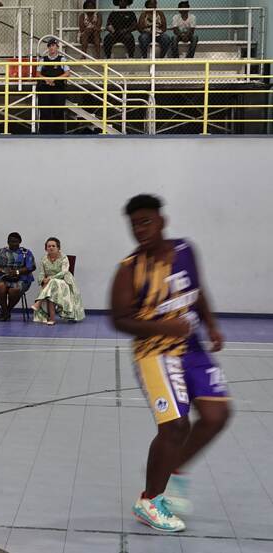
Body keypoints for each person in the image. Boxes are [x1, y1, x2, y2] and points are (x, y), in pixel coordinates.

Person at [111, 194, 231, 532]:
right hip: (154, 351)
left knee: (216, 415)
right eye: (134, 225)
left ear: (162, 221)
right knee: (176, 427)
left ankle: (172, 467)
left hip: (191, 347)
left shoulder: (185, 251)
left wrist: (211, 324)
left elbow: (198, 290)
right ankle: (149, 500)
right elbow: (119, 319)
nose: (140, 230)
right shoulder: (129, 270)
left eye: (146, 221)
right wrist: (163, 326)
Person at [32, 237, 85, 324]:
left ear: (58, 248)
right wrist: (42, 280)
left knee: (53, 282)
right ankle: (51, 319)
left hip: (64, 281)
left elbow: (64, 272)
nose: (51, 248)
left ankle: (39, 303)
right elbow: (41, 273)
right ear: (46, 248)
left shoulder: (63, 257)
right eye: (49, 246)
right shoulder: (43, 259)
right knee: (51, 288)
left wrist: (50, 278)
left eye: (53, 246)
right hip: (51, 284)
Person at [0, 232, 36, 321]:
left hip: (21, 278)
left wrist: (17, 272)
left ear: (20, 241)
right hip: (3, 277)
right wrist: (3, 271)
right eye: (11, 241)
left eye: (15, 242)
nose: (13, 244)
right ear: (7, 242)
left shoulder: (26, 252)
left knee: (14, 290)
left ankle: (6, 312)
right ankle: (6, 312)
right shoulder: (2, 252)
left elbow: (32, 267)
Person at [37, 38, 70, 134]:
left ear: (57, 47)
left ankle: (59, 133)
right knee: (44, 111)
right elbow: (38, 73)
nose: (52, 48)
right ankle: (44, 133)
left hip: (58, 88)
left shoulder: (62, 59)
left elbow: (67, 73)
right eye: (50, 46)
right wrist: (46, 79)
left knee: (58, 111)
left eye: (53, 46)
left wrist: (54, 79)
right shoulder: (43, 59)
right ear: (48, 48)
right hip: (45, 88)